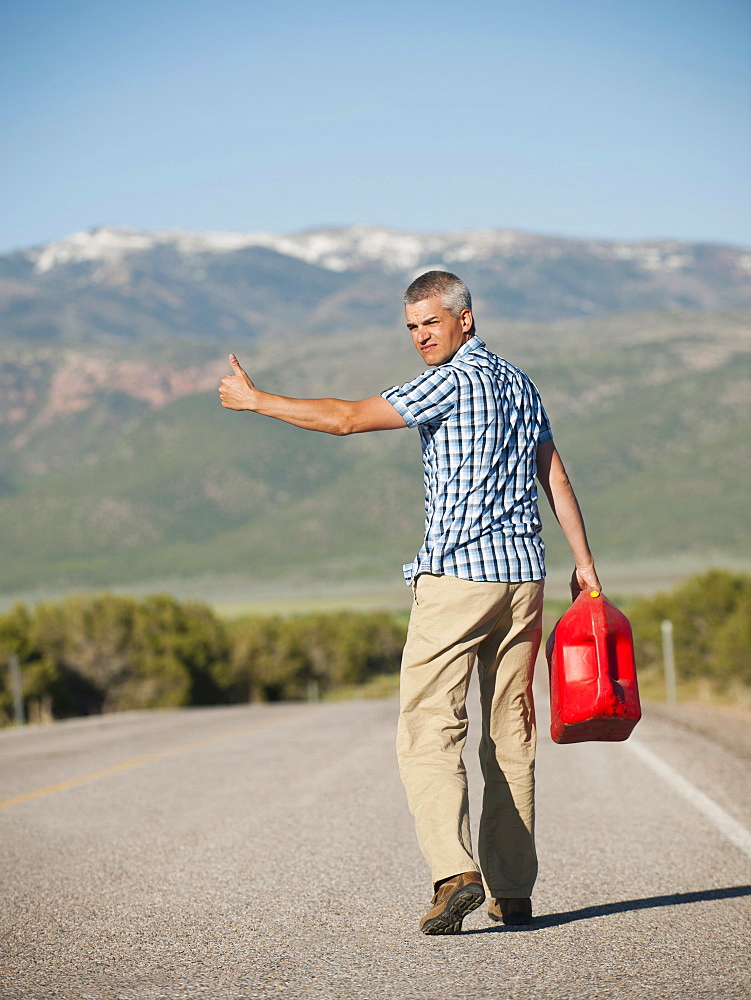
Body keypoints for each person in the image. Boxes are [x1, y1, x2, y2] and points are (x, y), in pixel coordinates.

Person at [218, 270, 600, 935]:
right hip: (525, 581)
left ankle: (456, 874)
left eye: (432, 322)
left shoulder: (450, 381)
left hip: (458, 580)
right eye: (412, 327)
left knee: (429, 726)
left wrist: (255, 401)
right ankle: (512, 891)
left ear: (465, 319)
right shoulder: (519, 383)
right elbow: (553, 474)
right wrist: (585, 567)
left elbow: (344, 420)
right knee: (509, 733)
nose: (422, 336)